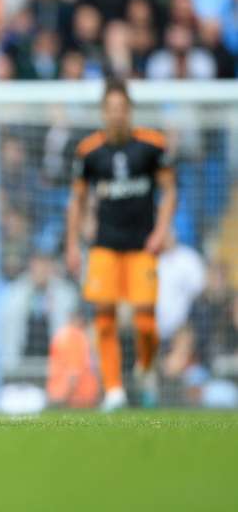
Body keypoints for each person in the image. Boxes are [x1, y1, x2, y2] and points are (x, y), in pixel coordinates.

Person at [66, 78, 177, 411]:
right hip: (105, 246)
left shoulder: (153, 146)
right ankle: (114, 390)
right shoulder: (89, 152)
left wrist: (161, 230)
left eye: (121, 109)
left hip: (143, 246)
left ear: (130, 111)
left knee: (145, 321)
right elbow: (77, 200)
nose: (116, 115)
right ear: (103, 112)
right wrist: (74, 242)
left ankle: (145, 367)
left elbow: (170, 191)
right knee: (104, 318)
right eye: (110, 109)